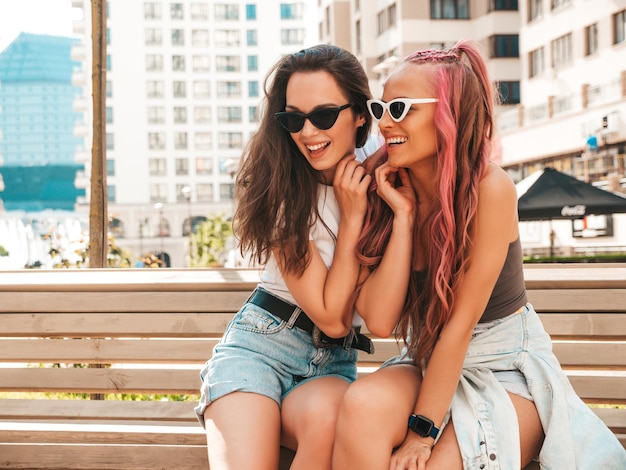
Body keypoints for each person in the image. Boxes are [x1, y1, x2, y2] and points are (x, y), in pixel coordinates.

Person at [332, 40, 626, 470]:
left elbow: (461, 325)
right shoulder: (389, 189)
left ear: (448, 114)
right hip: (429, 361)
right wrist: (405, 219)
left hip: (507, 369)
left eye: (401, 109)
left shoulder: (490, 188)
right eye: (381, 109)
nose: (384, 124)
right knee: (363, 404)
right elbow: (378, 320)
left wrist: (421, 434)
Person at [194, 44, 378, 470]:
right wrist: (352, 220)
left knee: (332, 420)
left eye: (324, 115)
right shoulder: (282, 189)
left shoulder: (386, 179)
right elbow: (331, 316)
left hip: (332, 364)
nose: (308, 133)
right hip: (259, 349)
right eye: (294, 119)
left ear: (361, 114)